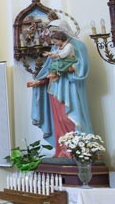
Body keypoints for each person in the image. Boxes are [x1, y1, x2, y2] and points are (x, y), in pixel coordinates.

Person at [26, 22, 94, 158]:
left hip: (70, 88)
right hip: (55, 88)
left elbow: (82, 67)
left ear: (62, 32)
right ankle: (62, 150)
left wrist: (64, 69)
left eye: (54, 34)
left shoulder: (78, 46)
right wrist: (38, 81)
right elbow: (48, 69)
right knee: (58, 119)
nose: (52, 37)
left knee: (69, 117)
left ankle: (77, 150)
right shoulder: (56, 47)